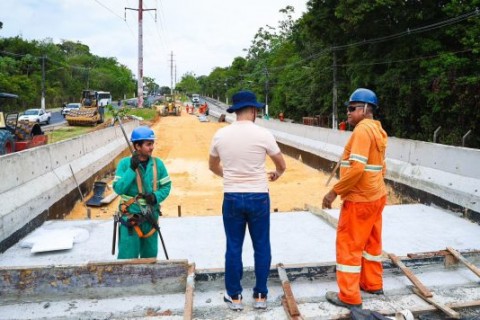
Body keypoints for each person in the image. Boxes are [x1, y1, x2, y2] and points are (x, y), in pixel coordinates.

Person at [209, 90, 286, 311]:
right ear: (253, 110)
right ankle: (260, 295)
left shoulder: (221, 135)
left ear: (235, 111)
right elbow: (281, 164)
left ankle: (235, 297)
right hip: (259, 196)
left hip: (232, 196)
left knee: (233, 246)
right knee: (261, 245)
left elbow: (212, 166)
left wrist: (231, 176)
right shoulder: (263, 134)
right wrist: (276, 174)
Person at [322, 88, 388, 309]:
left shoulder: (362, 131)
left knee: (349, 245)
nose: (348, 113)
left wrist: (335, 191)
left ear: (366, 109)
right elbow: (381, 167)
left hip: (360, 199)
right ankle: (372, 284)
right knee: (371, 243)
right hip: (376, 196)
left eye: (352, 108)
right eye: (348, 109)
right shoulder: (378, 130)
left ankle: (349, 296)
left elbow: (357, 168)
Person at [113, 126, 171, 259]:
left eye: (152, 144)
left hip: (151, 219)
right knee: (127, 259)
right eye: (148, 144)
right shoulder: (124, 164)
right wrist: (131, 169)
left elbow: (166, 186)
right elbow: (119, 188)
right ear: (137, 146)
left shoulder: (158, 164)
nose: (152, 147)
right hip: (131, 219)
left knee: (150, 258)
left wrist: (155, 197)